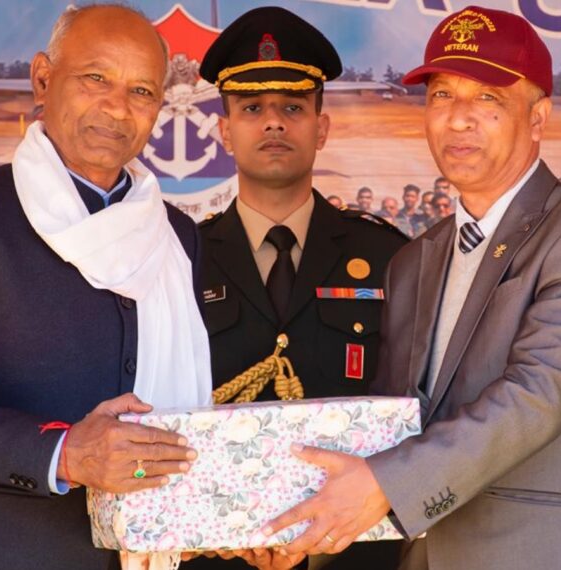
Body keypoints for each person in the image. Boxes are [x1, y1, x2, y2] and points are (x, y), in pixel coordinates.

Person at [262, 6, 561, 569]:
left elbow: (536, 396)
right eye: (442, 95)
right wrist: (304, 534)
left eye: (488, 98)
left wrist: (383, 487)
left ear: (538, 117)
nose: (458, 119)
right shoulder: (414, 260)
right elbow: (394, 424)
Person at [0, 5, 211, 568]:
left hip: (138, 551)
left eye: (142, 91)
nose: (117, 107)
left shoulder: (177, 234)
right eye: (96, 78)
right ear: (43, 78)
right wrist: (65, 453)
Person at [191, 6, 408, 569]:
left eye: (292, 107)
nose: (273, 123)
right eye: (252, 108)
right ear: (224, 130)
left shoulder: (389, 256)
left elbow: (416, 405)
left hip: (355, 553)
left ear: (322, 126)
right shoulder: (183, 259)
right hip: (219, 551)